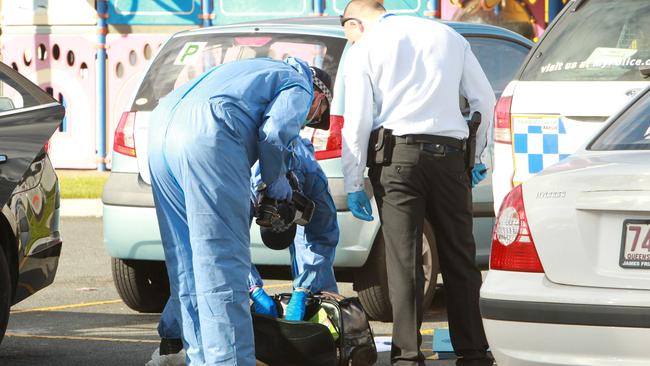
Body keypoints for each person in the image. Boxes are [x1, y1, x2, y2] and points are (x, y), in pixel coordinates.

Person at [339, 1, 496, 366]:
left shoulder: (365, 46)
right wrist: (477, 156)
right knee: (460, 256)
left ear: (354, 21)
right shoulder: (449, 35)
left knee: (404, 260)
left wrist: (353, 179)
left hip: (397, 161)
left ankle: (408, 356)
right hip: (451, 157)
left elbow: (358, 118)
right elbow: (484, 100)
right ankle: (473, 352)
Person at [148, 57, 331, 365]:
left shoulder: (255, 70)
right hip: (209, 134)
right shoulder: (298, 83)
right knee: (221, 266)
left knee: (186, 266)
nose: (308, 121)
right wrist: (275, 181)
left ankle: (200, 359)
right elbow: (274, 134)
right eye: (316, 114)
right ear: (319, 95)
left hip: (158, 132)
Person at [248, 136, 340, 322]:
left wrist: (303, 289)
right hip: (253, 176)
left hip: (301, 180)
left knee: (313, 265)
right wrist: (252, 288)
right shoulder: (246, 187)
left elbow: (323, 237)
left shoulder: (313, 177)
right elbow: (229, 243)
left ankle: (327, 328)